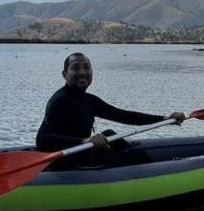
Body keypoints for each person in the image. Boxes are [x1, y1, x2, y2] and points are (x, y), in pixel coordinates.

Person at [35, 52, 184, 153]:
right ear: (64, 74)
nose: (82, 72)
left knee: (109, 135)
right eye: (75, 68)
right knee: (115, 143)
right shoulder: (59, 101)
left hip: (84, 152)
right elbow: (43, 140)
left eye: (86, 67)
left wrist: (165, 119)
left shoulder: (89, 100)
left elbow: (124, 116)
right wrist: (85, 140)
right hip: (68, 162)